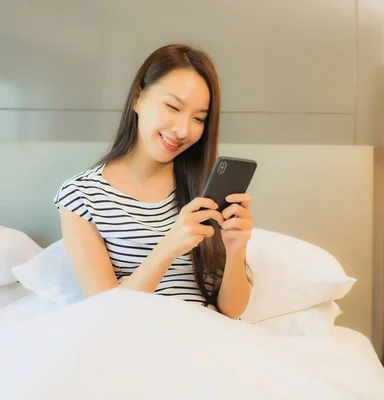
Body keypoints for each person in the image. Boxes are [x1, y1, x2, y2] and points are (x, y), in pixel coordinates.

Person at [53, 44, 253, 319]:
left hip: (211, 337)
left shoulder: (203, 188)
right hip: (140, 338)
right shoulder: (82, 196)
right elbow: (106, 312)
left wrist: (236, 248)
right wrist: (169, 246)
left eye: (198, 119)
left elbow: (232, 311)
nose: (183, 130)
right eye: (172, 106)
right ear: (138, 98)